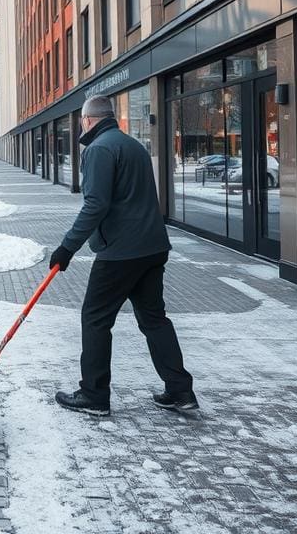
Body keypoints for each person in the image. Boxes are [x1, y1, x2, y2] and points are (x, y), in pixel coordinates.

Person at [50, 95, 196, 417]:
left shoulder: (99, 149)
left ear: (88, 120)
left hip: (120, 254)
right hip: (152, 248)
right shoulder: (133, 146)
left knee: (95, 318)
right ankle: (180, 390)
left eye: (82, 121)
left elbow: (95, 204)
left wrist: (66, 247)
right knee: (154, 320)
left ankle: (94, 394)